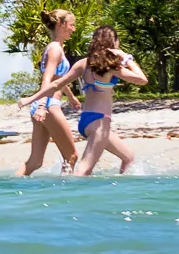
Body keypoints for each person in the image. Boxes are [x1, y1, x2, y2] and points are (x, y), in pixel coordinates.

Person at [19, 23, 147, 175]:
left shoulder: (83, 63)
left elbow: (56, 84)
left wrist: (31, 99)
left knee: (129, 158)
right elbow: (142, 79)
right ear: (114, 43)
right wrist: (126, 57)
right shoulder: (112, 67)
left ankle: (117, 194)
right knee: (83, 170)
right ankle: (66, 195)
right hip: (100, 123)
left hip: (86, 122)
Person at [18, 8, 79, 177]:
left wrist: (71, 96)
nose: (74, 29)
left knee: (35, 162)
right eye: (72, 25)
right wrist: (42, 106)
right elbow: (47, 79)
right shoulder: (55, 50)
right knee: (71, 156)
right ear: (61, 25)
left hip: (45, 104)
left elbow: (57, 79)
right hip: (48, 105)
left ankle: (11, 188)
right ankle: (64, 194)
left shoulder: (54, 48)